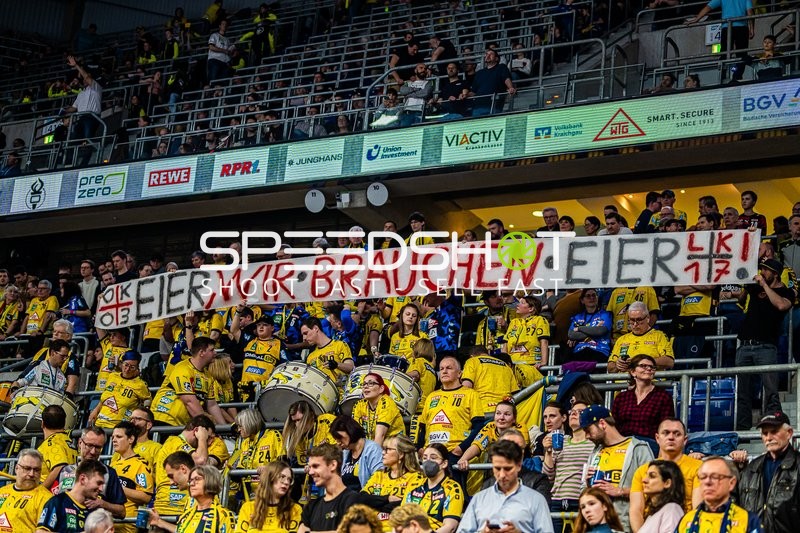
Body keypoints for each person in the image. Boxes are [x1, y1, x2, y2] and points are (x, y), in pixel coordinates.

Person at [736, 258, 793, 429]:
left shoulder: (787, 292)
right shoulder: (755, 287)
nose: (762, 273)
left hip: (766, 346)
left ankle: (774, 426)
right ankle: (743, 430)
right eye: (761, 269)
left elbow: (781, 305)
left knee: (771, 391)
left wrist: (765, 286)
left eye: (766, 270)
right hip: (745, 345)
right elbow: (740, 300)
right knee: (742, 392)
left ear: (775, 274)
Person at [581, 405, 654, 532]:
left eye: (588, 430)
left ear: (602, 423)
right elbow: (582, 492)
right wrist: (587, 485)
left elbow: (653, 488)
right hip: (599, 526)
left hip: (626, 524)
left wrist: (620, 491)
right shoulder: (595, 453)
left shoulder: (638, 448)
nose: (587, 436)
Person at [629, 418, 702, 531]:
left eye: (677, 434)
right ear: (657, 438)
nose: (671, 437)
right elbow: (636, 511)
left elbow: (698, 509)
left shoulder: (698, 467)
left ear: (685, 440)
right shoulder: (642, 470)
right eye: (666, 433)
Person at [417, 356, 484, 474]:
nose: (444, 371)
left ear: (459, 374)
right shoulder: (431, 396)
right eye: (441, 368)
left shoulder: (470, 394)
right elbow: (422, 426)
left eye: (449, 368)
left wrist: (461, 448)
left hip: (454, 453)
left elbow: (478, 426)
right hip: (431, 453)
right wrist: (420, 448)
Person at [738, 411, 800, 533]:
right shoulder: (752, 468)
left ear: (789, 433)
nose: (769, 438)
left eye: (774, 432)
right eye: (765, 433)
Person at [542, 401, 595, 532]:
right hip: (557, 500)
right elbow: (548, 476)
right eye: (572, 411)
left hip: (580, 500)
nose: (574, 414)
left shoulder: (593, 443)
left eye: (580, 412)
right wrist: (548, 451)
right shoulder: (561, 440)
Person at [152, 336, 227, 426]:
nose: (215, 353)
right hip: (163, 419)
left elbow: (212, 405)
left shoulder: (209, 376)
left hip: (181, 425)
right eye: (212, 350)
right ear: (202, 352)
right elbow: (189, 402)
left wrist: (224, 429)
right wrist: (209, 426)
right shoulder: (182, 369)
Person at [676, 456, 763, 533]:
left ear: (731, 483)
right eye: (703, 477)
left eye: (715, 477)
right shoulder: (686, 520)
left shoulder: (747, 520)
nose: (707, 482)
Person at [57, 427, 126, 519]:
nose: (93, 452)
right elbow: (56, 503)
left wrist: (102, 504)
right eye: (89, 445)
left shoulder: (108, 473)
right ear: (80, 443)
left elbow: (122, 512)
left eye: (98, 447)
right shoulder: (65, 471)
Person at [153, 416, 214, 518]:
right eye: (208, 438)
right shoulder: (177, 443)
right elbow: (201, 461)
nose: (209, 443)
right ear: (196, 431)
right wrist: (202, 439)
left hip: (166, 507)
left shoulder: (172, 443)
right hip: (174, 507)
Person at [610, 355, 675, 441]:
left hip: (649, 444)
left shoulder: (663, 397)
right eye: (643, 366)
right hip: (623, 443)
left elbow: (667, 426)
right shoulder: (621, 398)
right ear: (633, 372)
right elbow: (613, 425)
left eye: (652, 367)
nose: (648, 369)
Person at [298, 443, 359, 533]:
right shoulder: (311, 506)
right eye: (310, 467)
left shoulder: (353, 500)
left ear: (333, 465)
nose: (310, 472)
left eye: (315, 466)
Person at [404, 443, 464, 533]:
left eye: (433, 458)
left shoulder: (453, 488)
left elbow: (450, 526)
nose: (428, 461)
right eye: (424, 458)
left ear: (444, 463)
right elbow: (401, 517)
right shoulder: (414, 485)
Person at [36, 459, 108, 533]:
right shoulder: (58, 502)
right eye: (98, 483)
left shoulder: (95, 511)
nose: (101, 489)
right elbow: (41, 531)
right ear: (83, 479)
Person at [110, 421, 154, 533]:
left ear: (131, 439)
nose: (114, 440)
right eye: (113, 437)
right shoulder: (113, 463)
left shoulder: (140, 464)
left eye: (119, 437)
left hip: (127, 525)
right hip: (110, 523)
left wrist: (119, 489)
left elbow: (146, 496)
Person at [88, 350, 151, 428]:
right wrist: (95, 411)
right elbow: (104, 398)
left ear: (137, 368)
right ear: (121, 363)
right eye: (126, 365)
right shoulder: (112, 376)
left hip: (119, 428)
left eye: (132, 367)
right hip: (99, 423)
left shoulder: (141, 385)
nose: (127, 369)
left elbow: (147, 401)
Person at [236, 460, 302, 533]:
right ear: (269, 478)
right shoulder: (248, 508)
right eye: (282, 477)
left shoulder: (295, 509)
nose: (286, 482)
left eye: (289, 479)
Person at [607, 302, 674, 373]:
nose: (635, 324)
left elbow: (669, 362)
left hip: (649, 380)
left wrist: (641, 362)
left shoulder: (659, 336)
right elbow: (610, 368)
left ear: (648, 318)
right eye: (632, 320)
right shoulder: (622, 339)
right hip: (624, 382)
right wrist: (617, 365)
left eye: (639, 320)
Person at [0, 449, 53, 533]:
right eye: (27, 468)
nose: (32, 474)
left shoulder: (47, 499)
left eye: (36, 470)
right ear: (16, 468)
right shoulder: (2, 492)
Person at [361, 434, 422, 508]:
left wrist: (375, 502)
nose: (383, 452)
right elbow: (361, 498)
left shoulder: (416, 477)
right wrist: (387, 499)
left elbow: (406, 506)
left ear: (401, 454)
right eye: (383, 449)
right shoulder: (379, 474)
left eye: (388, 449)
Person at [504, 295, 550, 385]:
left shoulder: (540, 320)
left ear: (531, 308)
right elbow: (506, 344)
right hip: (512, 365)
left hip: (531, 364)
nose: (518, 304)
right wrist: (504, 363)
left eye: (522, 303)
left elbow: (544, 341)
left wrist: (543, 362)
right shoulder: (514, 322)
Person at [329, 415, 384, 492]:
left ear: (350, 431)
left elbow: (379, 478)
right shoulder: (346, 452)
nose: (338, 443)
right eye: (336, 439)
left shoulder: (372, 449)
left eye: (340, 438)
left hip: (364, 499)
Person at [351, 372, 405, 446]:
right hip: (373, 446)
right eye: (364, 384)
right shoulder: (359, 405)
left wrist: (371, 456)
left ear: (381, 389)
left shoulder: (387, 403)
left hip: (395, 447)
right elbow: (356, 433)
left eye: (371, 383)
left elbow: (380, 435)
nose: (366, 387)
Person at [461, 345, 518, 414]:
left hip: (482, 409)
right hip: (504, 410)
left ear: (472, 356)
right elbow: (515, 393)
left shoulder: (472, 361)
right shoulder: (505, 365)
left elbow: (466, 387)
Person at [301, 317, 354, 388]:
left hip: (341, 394)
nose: (304, 338)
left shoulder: (339, 345)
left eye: (305, 333)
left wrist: (336, 364)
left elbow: (351, 367)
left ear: (315, 328)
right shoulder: (310, 357)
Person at [637, 460, 686, 533]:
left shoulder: (672, 509)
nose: (644, 480)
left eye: (652, 476)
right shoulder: (653, 514)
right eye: (646, 475)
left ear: (667, 483)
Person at [37, 405, 78, 492]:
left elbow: (59, 466)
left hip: (52, 495)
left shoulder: (51, 443)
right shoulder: (67, 440)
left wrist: (40, 490)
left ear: (42, 423)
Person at [567, 288, 613, 363]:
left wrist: (579, 328)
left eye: (594, 295)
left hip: (600, 350)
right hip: (580, 351)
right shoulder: (577, 317)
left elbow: (601, 331)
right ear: (582, 300)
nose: (591, 298)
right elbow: (571, 334)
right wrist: (593, 331)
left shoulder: (605, 314)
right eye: (588, 296)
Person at [468, 49, 516, 116]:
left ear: (496, 59)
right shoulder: (479, 73)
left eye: (491, 54)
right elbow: (473, 91)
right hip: (477, 107)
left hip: (494, 105)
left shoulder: (501, 67)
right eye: (487, 54)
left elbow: (506, 78)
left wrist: (510, 87)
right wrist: (465, 95)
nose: (488, 55)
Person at [207, 19, 233, 84]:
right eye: (223, 24)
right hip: (215, 60)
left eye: (226, 25)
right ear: (219, 26)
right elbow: (211, 47)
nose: (224, 26)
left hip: (225, 62)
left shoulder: (227, 40)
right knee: (213, 81)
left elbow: (228, 52)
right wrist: (224, 50)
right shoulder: (214, 35)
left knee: (223, 83)